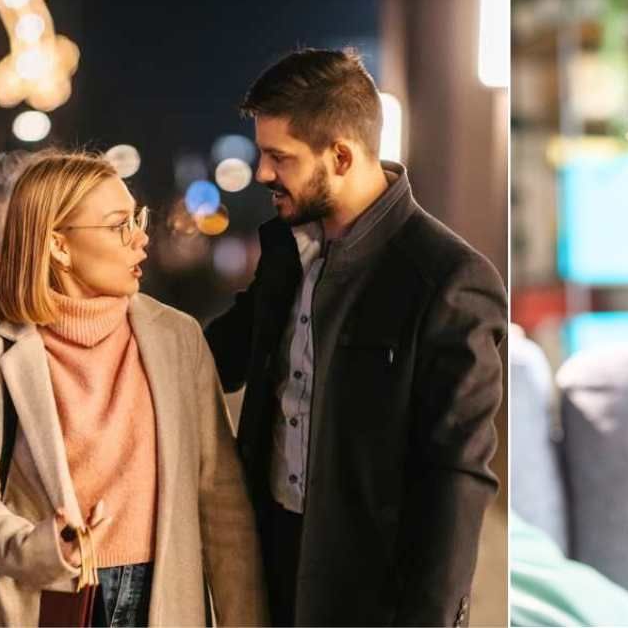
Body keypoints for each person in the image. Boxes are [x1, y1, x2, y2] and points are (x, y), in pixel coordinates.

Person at [205, 48, 507, 626]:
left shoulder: (448, 278)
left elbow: (457, 478)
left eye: (279, 157)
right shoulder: (287, 253)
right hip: (270, 566)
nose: (264, 173)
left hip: (373, 596)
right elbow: (214, 359)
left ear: (340, 155)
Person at [0, 151, 266, 626]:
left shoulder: (178, 338)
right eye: (118, 226)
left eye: (137, 218)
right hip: (41, 601)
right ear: (59, 246)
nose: (141, 237)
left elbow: (221, 501)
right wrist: (38, 547)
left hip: (163, 599)